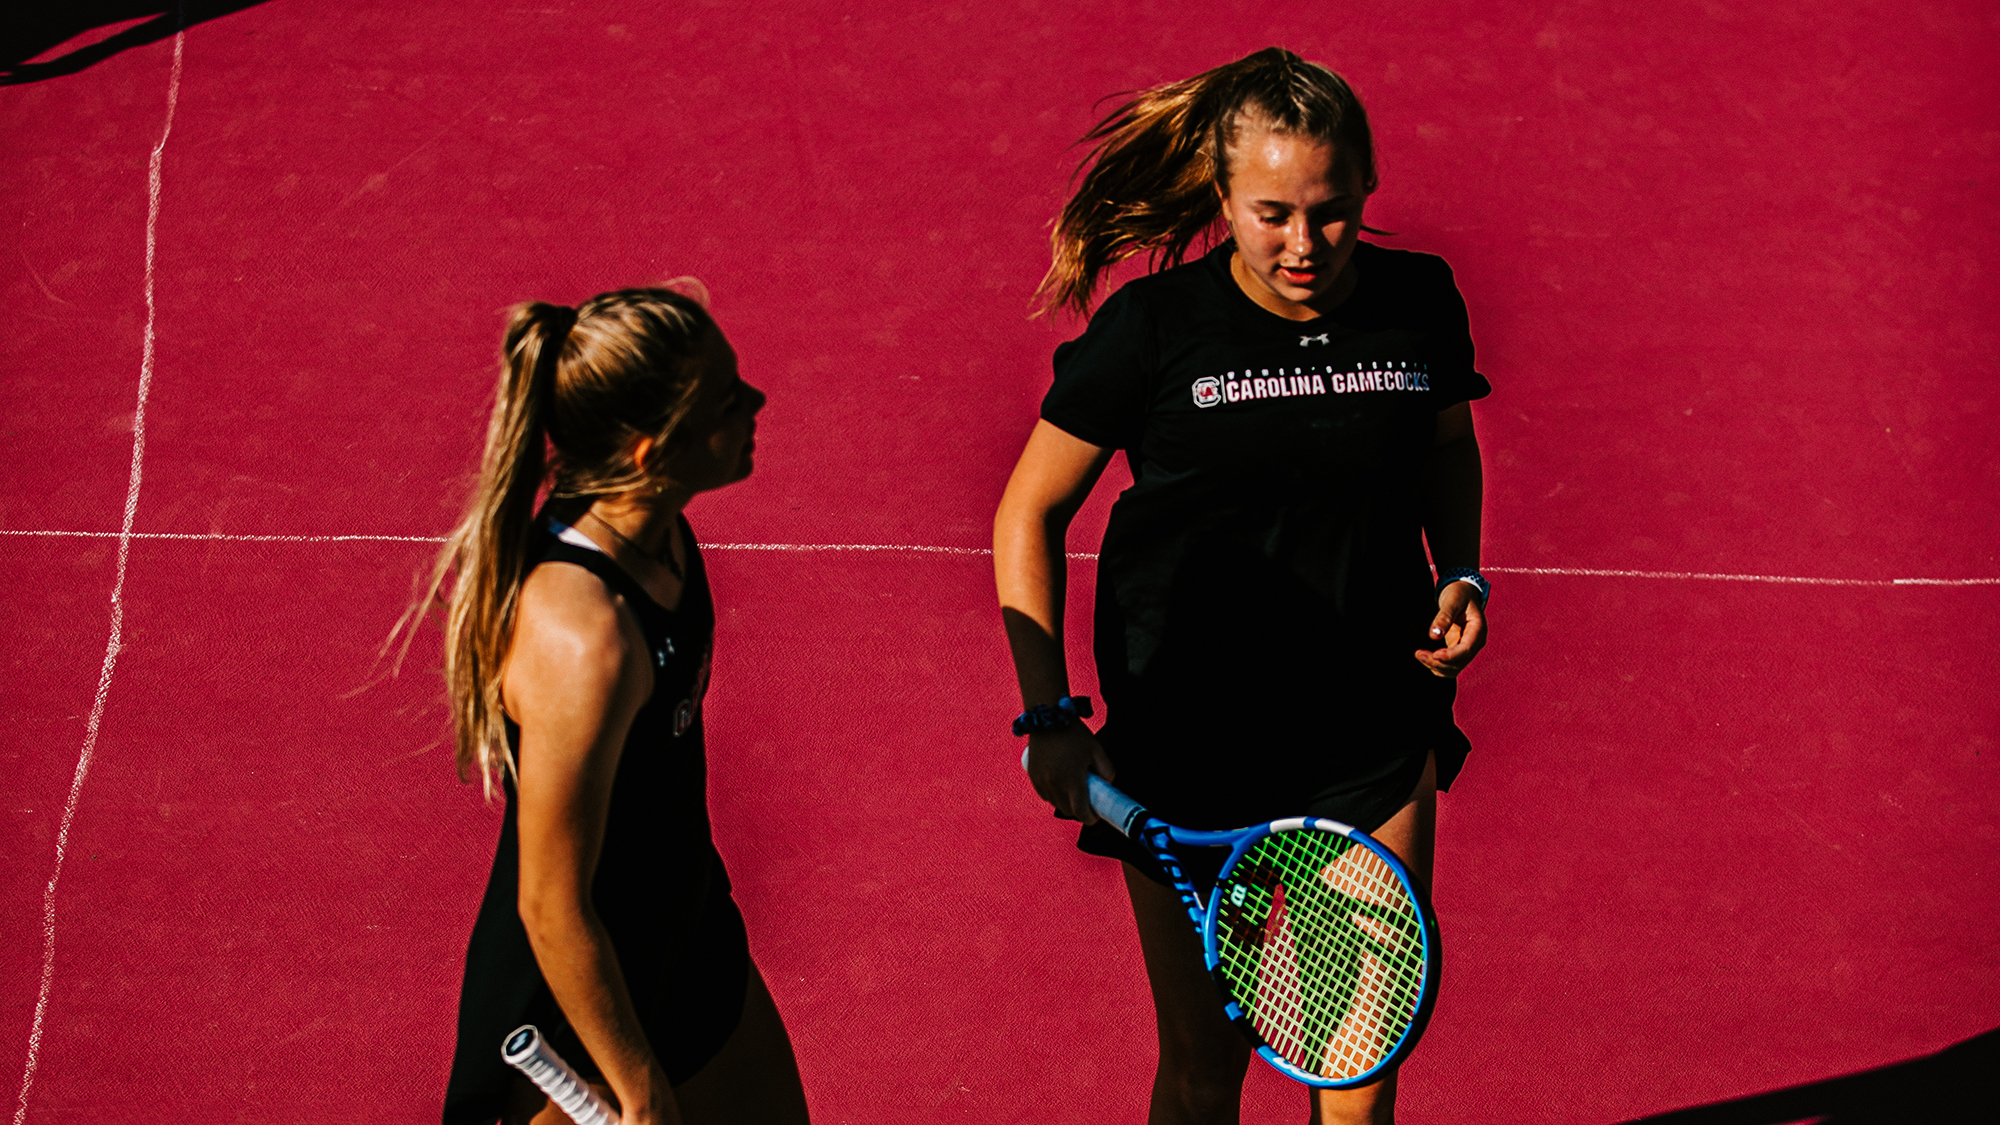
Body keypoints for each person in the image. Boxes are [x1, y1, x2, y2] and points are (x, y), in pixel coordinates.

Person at [993, 48, 1490, 1125]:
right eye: (1270, 214)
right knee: (1204, 1069)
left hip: (1365, 730)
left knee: (1356, 1071)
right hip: (1188, 748)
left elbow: (1445, 447)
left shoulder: (1417, 304)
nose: (1302, 244)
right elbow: (1027, 511)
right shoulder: (1153, 332)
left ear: (1365, 189)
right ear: (1221, 198)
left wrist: (1459, 569)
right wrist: (1047, 714)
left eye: (1330, 212)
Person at [409, 287, 809, 1125]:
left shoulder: (664, 534)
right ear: (648, 449)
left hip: (688, 935)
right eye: (728, 399)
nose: (757, 403)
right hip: (576, 1004)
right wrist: (633, 1083)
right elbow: (551, 899)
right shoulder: (585, 639)